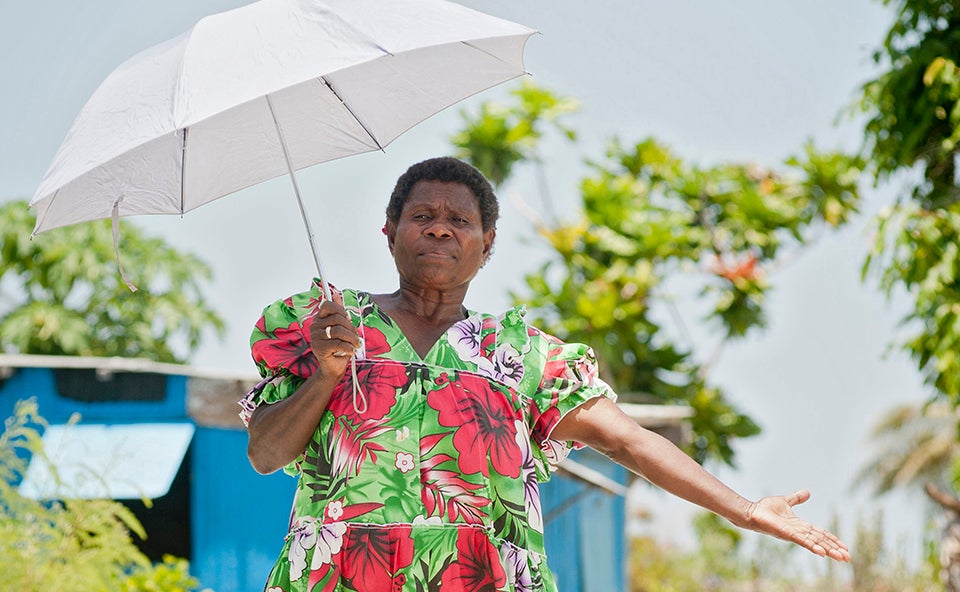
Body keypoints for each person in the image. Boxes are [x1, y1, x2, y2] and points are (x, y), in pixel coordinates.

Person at [240, 156, 849, 592]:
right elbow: (265, 453)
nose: (440, 227)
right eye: (422, 214)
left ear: (488, 244)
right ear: (390, 233)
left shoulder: (524, 356)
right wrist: (325, 373)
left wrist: (744, 510)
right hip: (338, 577)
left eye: (461, 220)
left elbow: (628, 440)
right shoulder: (327, 326)